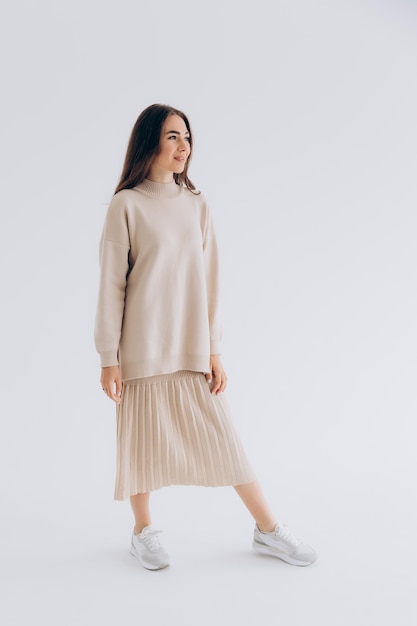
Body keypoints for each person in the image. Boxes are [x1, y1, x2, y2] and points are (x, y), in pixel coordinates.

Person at [94, 103, 317, 570]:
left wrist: (214, 350)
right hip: (140, 350)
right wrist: (107, 357)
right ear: (150, 141)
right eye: (173, 136)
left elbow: (210, 282)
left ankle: (268, 530)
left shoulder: (197, 205)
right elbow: (112, 284)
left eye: (188, 138)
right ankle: (143, 531)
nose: (184, 146)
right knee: (141, 445)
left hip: (191, 350)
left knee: (226, 443)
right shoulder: (127, 204)